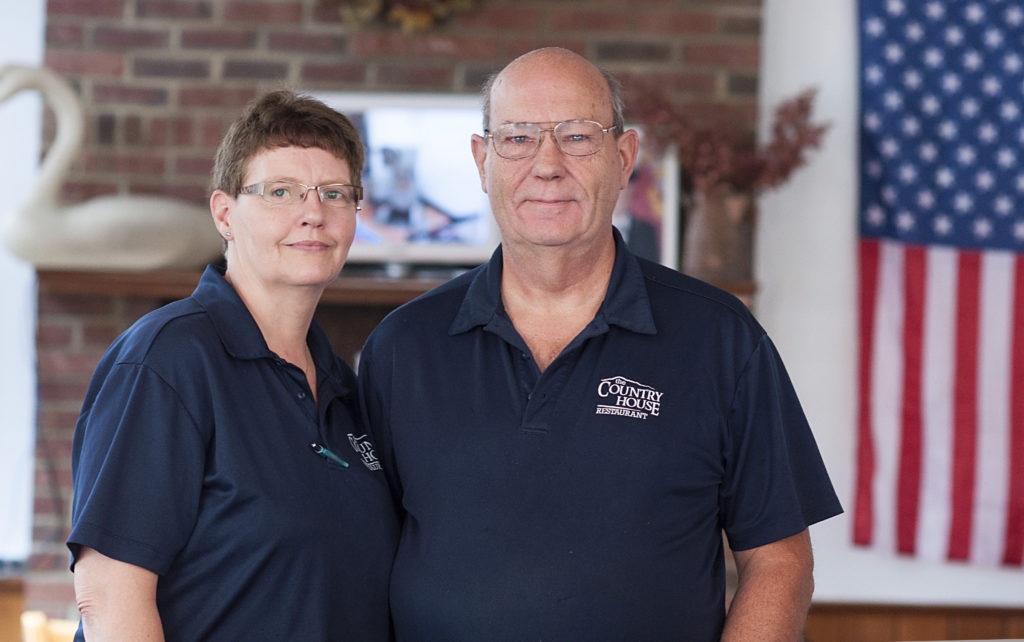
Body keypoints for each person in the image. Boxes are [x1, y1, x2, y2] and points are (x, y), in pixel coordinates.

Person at [358, 47, 842, 641]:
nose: (547, 164)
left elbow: (779, 559)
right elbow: (358, 553)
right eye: (517, 138)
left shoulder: (720, 340)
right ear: (483, 161)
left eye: (578, 137)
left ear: (624, 157)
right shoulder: (402, 348)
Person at [67, 91, 399, 640]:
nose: (312, 213)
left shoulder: (343, 385)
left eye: (335, 194)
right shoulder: (167, 359)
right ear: (224, 213)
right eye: (280, 191)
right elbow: (108, 598)